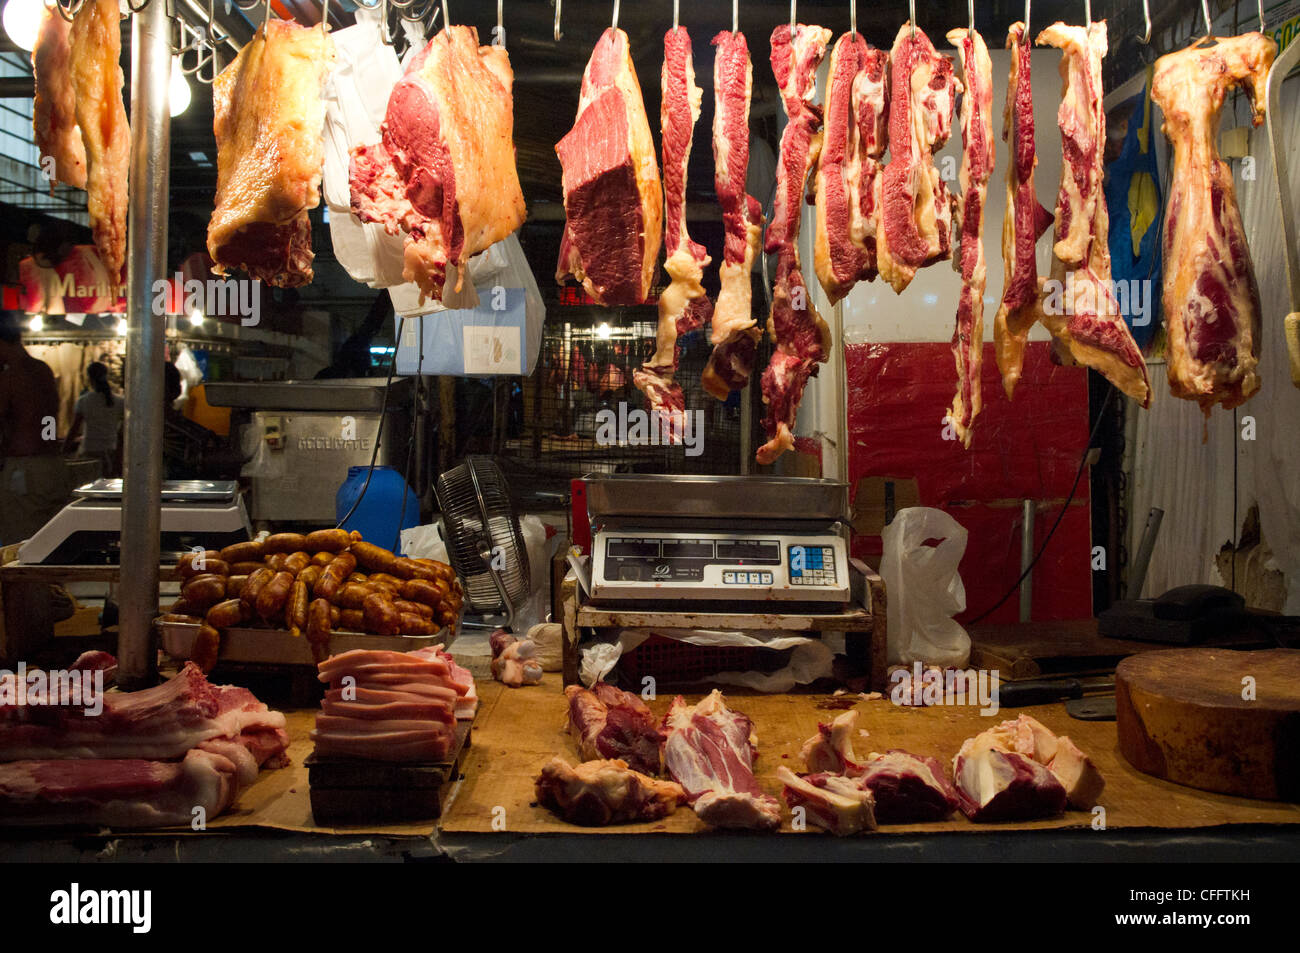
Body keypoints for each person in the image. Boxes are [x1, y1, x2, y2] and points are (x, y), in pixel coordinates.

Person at [0, 314, 74, 545]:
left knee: (19, 546)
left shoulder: (9, 376)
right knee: (46, 545)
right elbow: (48, 421)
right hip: (51, 464)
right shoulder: (43, 370)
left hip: (23, 470)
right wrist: (47, 443)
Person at [63, 361, 123, 478]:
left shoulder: (84, 401)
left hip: (89, 451)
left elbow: (74, 429)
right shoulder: (120, 402)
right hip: (111, 451)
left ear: (89, 378)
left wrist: (63, 451)